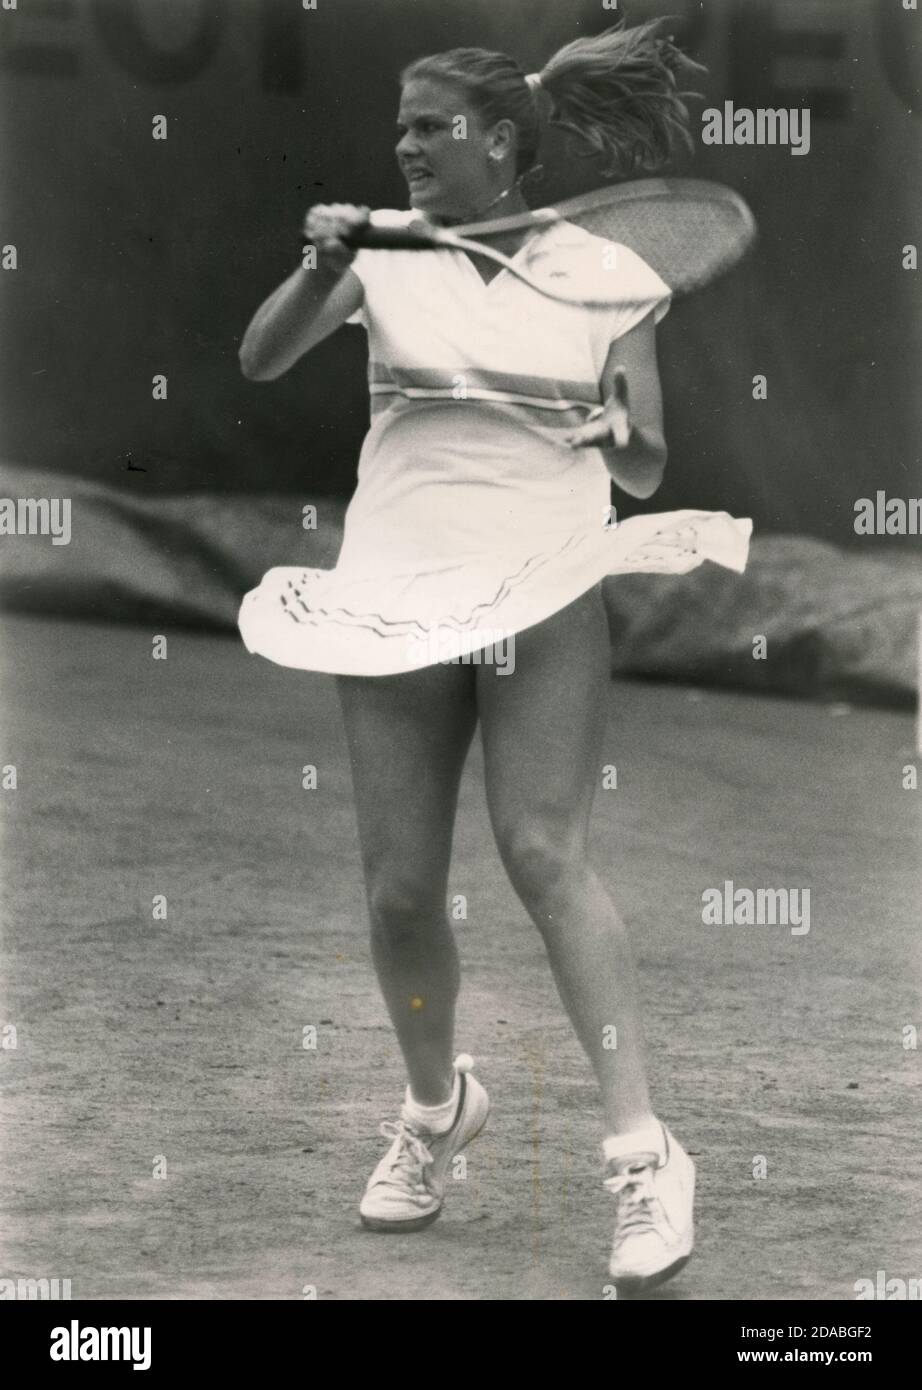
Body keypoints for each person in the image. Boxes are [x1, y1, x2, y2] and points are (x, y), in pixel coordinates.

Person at [237, 18, 750, 1295]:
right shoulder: (380, 252)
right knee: (400, 891)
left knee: (540, 852)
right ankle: (433, 1112)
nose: (405, 147)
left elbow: (645, 463)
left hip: (543, 584)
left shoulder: (603, 272)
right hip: (397, 592)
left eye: (430, 128)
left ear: (502, 143)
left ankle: (642, 1154)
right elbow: (261, 355)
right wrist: (321, 264)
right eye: (400, 128)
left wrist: (615, 421)